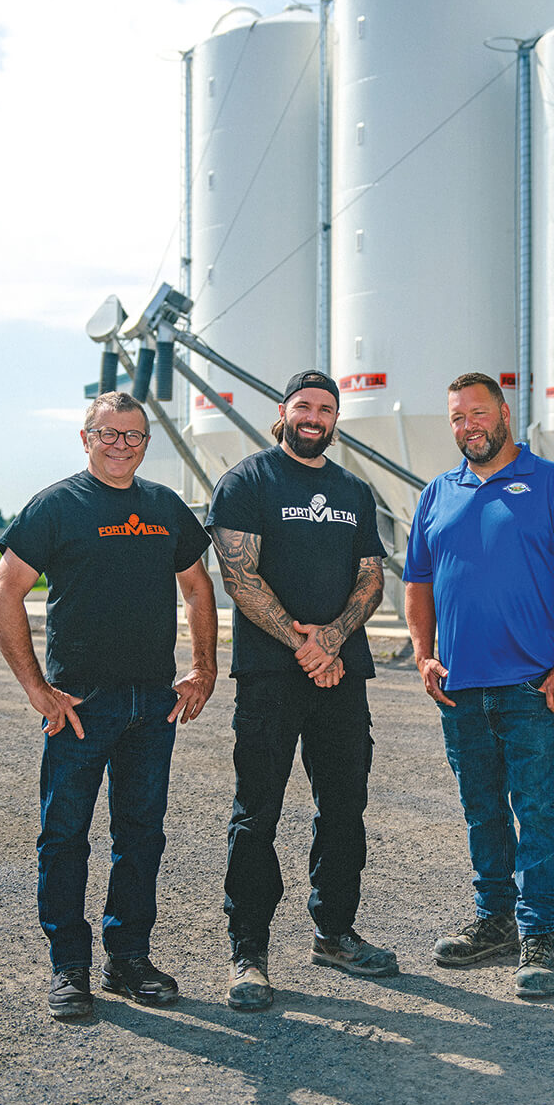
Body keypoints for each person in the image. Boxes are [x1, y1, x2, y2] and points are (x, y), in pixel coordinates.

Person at [0, 392, 217, 1021]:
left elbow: (198, 586)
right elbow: (3, 594)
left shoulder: (164, 507)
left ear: (147, 444)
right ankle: (69, 967)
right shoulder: (56, 506)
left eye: (134, 436)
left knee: (140, 835)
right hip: (81, 706)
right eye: (108, 434)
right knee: (65, 836)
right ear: (85, 438)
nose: (121, 445)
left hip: (153, 704)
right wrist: (38, 688)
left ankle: (128, 958)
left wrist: (203, 668)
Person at [403, 372, 554, 999]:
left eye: (478, 413)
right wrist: (423, 655)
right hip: (459, 689)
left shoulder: (552, 484)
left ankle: (538, 933)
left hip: (530, 686)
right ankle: (493, 923)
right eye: (458, 416)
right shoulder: (438, 493)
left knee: (538, 811)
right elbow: (417, 581)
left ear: (504, 414)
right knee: (481, 810)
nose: (469, 426)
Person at [207, 369, 398, 1012]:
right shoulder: (247, 482)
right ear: (283, 413)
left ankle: (335, 932)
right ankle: (248, 953)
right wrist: (304, 645)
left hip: (341, 675)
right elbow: (239, 575)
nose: (314, 416)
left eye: (325, 408)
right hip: (269, 677)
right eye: (304, 406)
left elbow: (370, 579)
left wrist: (333, 640)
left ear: (335, 419)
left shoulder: (352, 491)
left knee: (343, 807)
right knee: (256, 811)